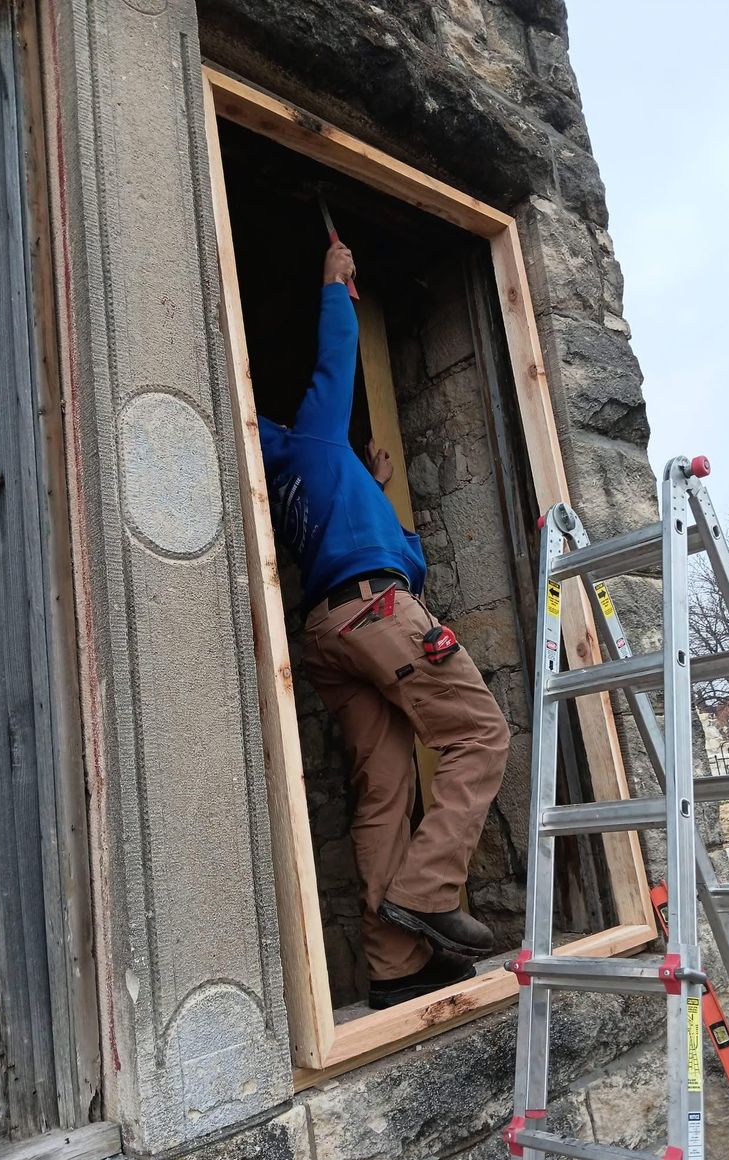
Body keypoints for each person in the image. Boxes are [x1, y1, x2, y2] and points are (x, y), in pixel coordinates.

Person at [259, 241, 511, 1009]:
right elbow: (336, 367)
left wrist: (371, 486)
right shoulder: (310, 444)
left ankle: (394, 966)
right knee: (481, 734)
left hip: (333, 630)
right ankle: (428, 891)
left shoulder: (303, 485)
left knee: (385, 790)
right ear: (281, 428)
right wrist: (335, 286)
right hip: (373, 610)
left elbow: (407, 557)